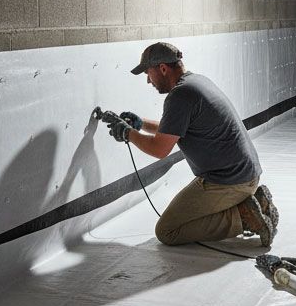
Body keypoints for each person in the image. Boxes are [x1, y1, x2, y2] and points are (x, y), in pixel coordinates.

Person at [106, 42, 279, 247]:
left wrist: (128, 134)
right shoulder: (195, 82)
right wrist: (141, 124)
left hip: (229, 181)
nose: (147, 80)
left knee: (167, 231)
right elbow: (173, 128)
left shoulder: (180, 95)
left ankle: (244, 218)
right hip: (244, 175)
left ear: (163, 68)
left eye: (148, 73)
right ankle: (254, 203)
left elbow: (160, 149)